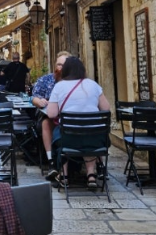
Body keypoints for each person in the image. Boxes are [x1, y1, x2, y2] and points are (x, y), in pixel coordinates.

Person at [46, 56, 110, 191]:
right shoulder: (93, 85)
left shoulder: (59, 86)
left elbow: (51, 114)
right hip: (96, 139)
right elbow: (106, 109)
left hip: (68, 139)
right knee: (88, 134)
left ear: (65, 70)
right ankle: (91, 175)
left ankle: (64, 176)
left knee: (61, 134)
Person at [32, 50, 71, 181]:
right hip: (49, 116)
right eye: (59, 64)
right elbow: (34, 97)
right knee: (46, 122)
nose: (61, 68)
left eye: (64, 65)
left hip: (70, 118)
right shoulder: (46, 80)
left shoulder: (76, 82)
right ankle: (51, 162)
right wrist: (39, 101)